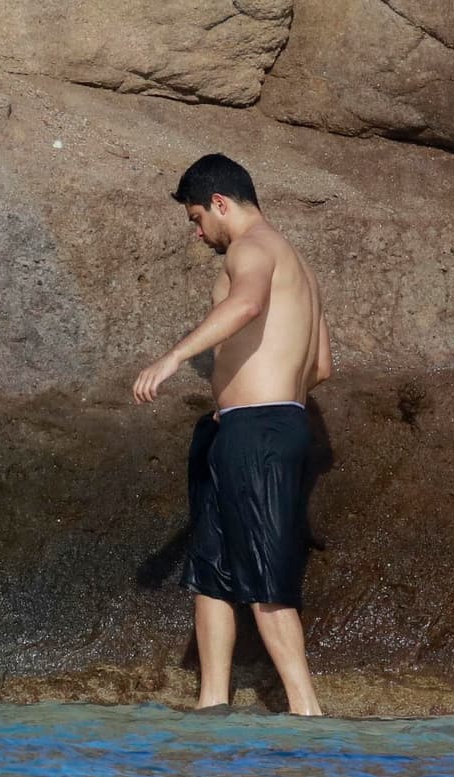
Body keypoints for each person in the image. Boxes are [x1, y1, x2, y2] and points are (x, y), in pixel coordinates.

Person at [133, 153, 331, 716]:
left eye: (198, 219)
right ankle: (211, 705)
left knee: (267, 577)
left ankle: (307, 711)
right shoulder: (300, 267)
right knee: (212, 571)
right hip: (255, 425)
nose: (198, 234)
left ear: (221, 203)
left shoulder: (253, 246)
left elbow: (246, 304)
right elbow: (320, 365)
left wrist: (175, 357)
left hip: (261, 431)